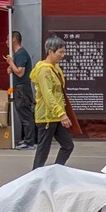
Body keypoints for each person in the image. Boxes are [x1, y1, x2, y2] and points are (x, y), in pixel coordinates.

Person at [30, 37, 78, 170]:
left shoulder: (55, 68)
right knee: (43, 150)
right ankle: (35, 177)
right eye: (60, 52)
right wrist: (62, 114)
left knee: (68, 145)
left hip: (56, 116)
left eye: (64, 52)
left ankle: (56, 171)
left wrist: (61, 114)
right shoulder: (44, 70)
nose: (62, 56)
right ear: (50, 52)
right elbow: (48, 95)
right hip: (46, 116)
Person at [4, 31, 35, 149]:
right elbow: (17, 70)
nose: (6, 42)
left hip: (22, 88)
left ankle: (29, 142)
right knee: (22, 114)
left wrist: (11, 62)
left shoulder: (21, 54)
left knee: (25, 115)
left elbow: (20, 72)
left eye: (7, 39)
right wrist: (11, 67)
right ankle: (27, 140)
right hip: (19, 88)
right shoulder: (18, 54)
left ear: (14, 40)